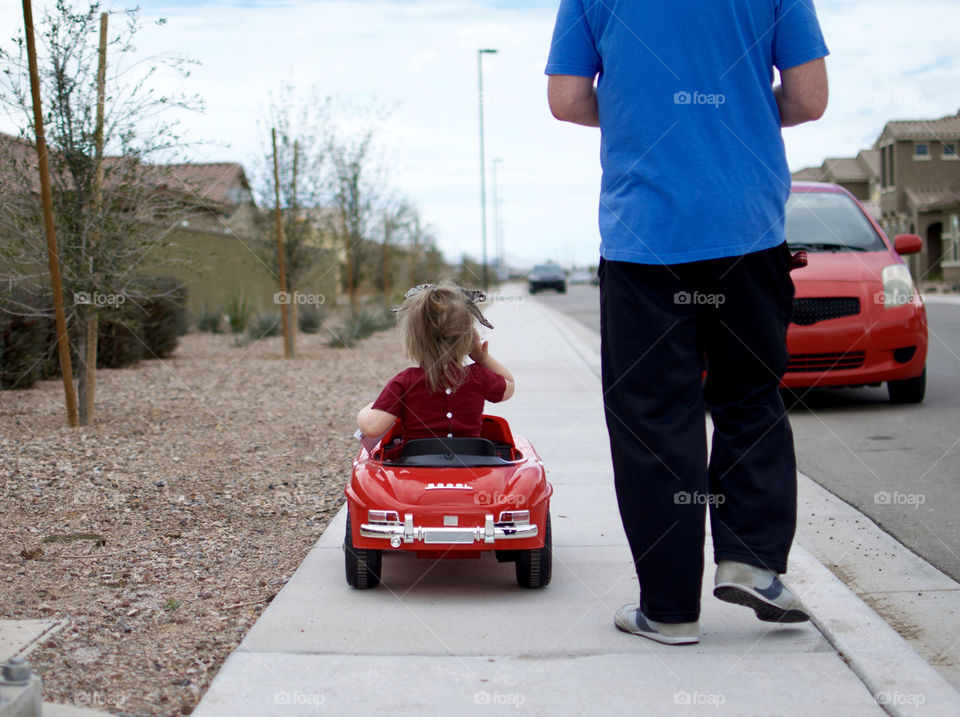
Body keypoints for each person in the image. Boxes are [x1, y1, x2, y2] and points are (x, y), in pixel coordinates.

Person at [545, 1, 829, 644]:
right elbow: (809, 99)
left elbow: (566, 99)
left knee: (654, 418)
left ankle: (669, 610)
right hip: (748, 229)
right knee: (748, 397)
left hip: (645, 239)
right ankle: (752, 562)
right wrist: (737, 108)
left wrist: (638, 115)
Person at [357, 282, 515, 444]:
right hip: (471, 464)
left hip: (417, 465)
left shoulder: (406, 381)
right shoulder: (478, 376)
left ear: (413, 340)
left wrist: (367, 409)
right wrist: (483, 359)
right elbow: (509, 386)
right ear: (468, 339)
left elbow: (372, 428)